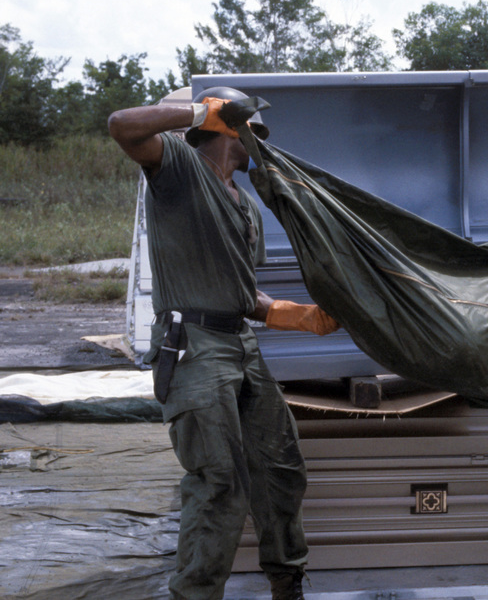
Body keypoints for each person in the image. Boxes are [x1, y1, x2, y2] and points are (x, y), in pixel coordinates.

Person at [108, 86, 339, 600]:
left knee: (280, 467)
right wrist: (195, 111)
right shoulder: (178, 168)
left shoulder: (247, 206)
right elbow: (123, 125)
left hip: (239, 343)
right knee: (219, 485)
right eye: (255, 128)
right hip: (193, 345)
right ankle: (196, 594)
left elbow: (241, 292)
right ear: (229, 126)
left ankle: (287, 582)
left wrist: (298, 316)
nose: (263, 140)